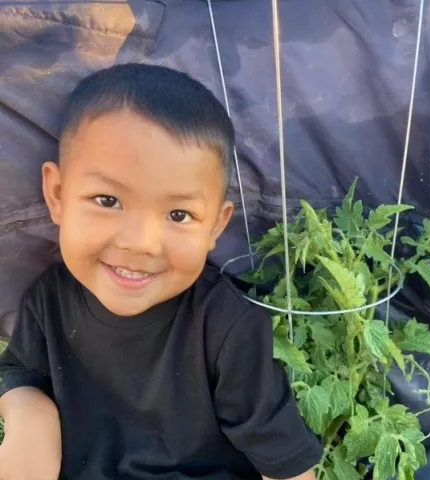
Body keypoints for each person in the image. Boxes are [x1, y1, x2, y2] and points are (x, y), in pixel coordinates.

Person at [0, 64, 321, 480]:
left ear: (216, 227)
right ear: (57, 195)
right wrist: (31, 414)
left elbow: (285, 463)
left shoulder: (227, 327)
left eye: (178, 214)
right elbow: (20, 371)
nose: (141, 242)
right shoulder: (50, 300)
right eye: (107, 200)